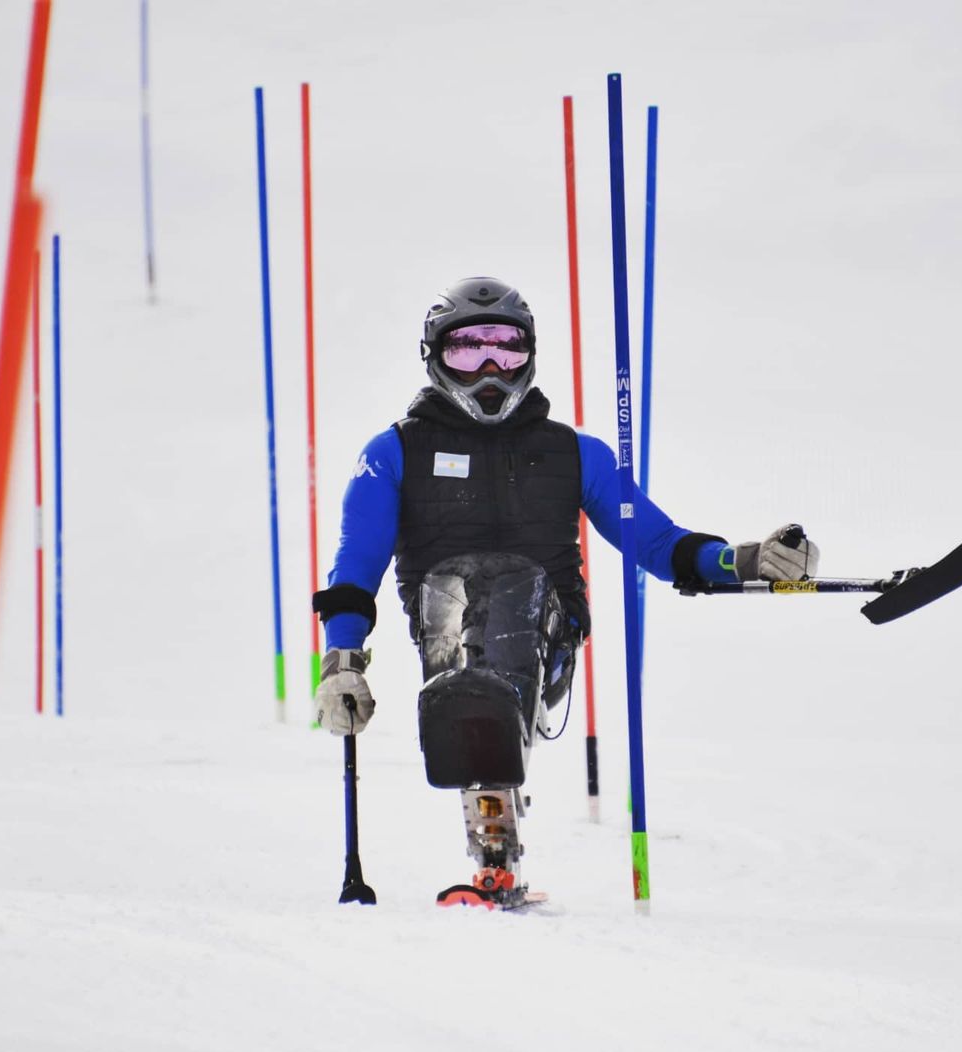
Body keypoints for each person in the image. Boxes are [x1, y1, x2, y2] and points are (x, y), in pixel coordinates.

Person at [312, 276, 818, 905]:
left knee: (510, 584)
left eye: (506, 349)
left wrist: (742, 560)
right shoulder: (394, 453)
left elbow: (657, 544)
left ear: (531, 354)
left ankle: (488, 747)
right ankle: (490, 828)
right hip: (445, 626)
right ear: (435, 357)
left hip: (543, 627)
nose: (489, 369)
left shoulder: (575, 454)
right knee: (456, 587)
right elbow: (355, 566)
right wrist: (341, 662)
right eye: (467, 351)